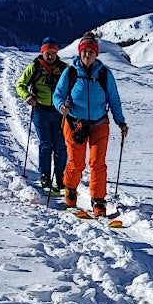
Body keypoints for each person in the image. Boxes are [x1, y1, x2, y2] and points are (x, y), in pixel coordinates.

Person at [52, 32, 129, 216]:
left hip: (99, 124)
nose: (87, 54)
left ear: (96, 54)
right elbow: (58, 95)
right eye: (84, 51)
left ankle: (99, 200)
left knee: (98, 163)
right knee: (76, 163)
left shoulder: (104, 74)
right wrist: (61, 106)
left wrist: (121, 122)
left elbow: (114, 100)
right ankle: (70, 189)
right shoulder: (70, 73)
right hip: (74, 124)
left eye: (91, 52)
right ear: (80, 53)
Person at [15, 37, 67, 192]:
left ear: (57, 52)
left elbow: (74, 85)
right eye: (47, 53)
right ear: (42, 52)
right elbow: (20, 85)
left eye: (53, 53)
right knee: (46, 144)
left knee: (60, 146)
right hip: (41, 110)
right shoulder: (35, 68)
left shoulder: (64, 69)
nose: (50, 56)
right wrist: (27, 96)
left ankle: (59, 176)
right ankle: (45, 176)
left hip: (59, 111)